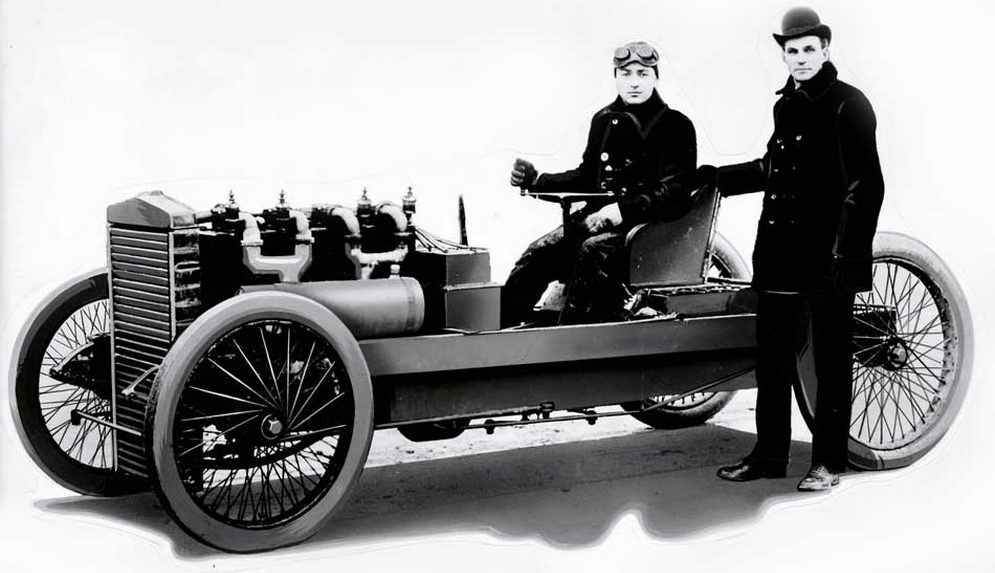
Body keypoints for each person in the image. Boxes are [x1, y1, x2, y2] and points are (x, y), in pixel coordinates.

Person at [701, 7, 885, 491]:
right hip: (780, 252)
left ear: (825, 50)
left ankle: (828, 462)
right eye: (792, 51)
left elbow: (867, 186)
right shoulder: (786, 106)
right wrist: (717, 178)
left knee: (830, 361)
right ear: (783, 55)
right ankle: (769, 455)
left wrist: (847, 255)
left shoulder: (849, 104)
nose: (800, 58)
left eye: (808, 49)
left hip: (827, 256)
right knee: (773, 358)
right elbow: (773, 168)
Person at [504, 40, 697, 326]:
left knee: (592, 251)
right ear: (616, 77)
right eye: (626, 74)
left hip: (647, 230)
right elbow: (587, 176)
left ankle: (570, 337)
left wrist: (623, 210)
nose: (634, 82)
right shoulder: (604, 120)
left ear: (656, 78)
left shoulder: (676, 125)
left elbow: (675, 190)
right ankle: (501, 333)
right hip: (598, 222)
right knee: (539, 251)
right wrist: (538, 180)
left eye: (643, 74)